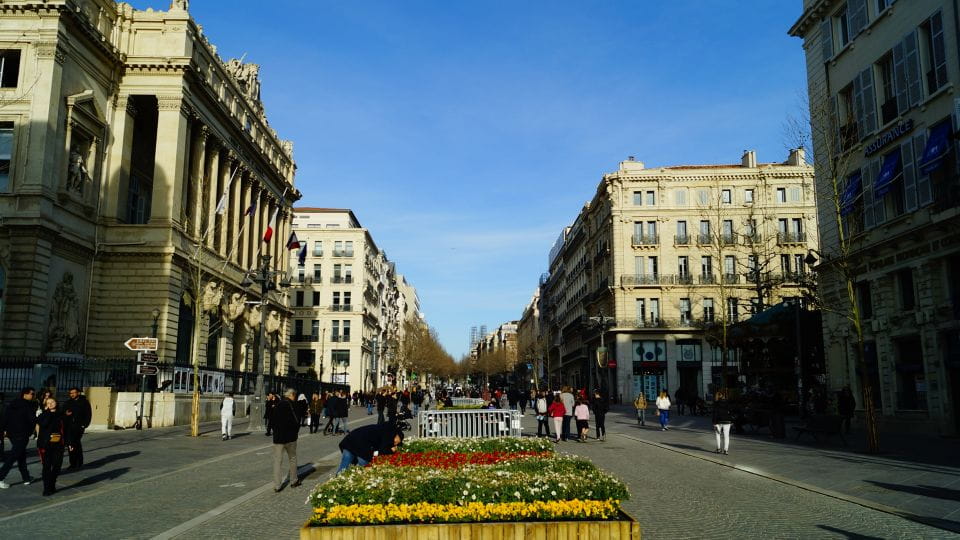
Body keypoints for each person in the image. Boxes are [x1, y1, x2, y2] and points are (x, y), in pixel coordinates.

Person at [0, 388, 36, 489]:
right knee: (13, 456)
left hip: (12, 434)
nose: (33, 396)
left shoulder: (12, 404)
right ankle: (0, 477)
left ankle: (26, 478)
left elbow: (5, 417)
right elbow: (32, 420)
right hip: (22, 434)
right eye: (32, 394)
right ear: (25, 394)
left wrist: (3, 430)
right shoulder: (28, 405)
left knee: (21, 455)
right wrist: (32, 431)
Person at [336, 422, 403, 474]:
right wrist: (390, 450)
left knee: (344, 467)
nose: (396, 444)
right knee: (365, 465)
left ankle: (337, 482)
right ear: (397, 435)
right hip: (360, 445)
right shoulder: (387, 435)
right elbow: (377, 452)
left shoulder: (382, 429)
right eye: (397, 441)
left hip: (350, 441)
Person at [270, 389, 302, 492]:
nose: (295, 397)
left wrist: (275, 431)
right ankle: (293, 481)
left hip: (278, 438)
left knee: (277, 461)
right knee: (292, 458)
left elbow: (272, 420)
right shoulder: (294, 405)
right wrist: (295, 432)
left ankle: (277, 485)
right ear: (292, 395)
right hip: (291, 437)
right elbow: (297, 421)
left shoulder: (278, 405)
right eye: (295, 395)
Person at [36, 397, 65, 496]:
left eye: (52, 402)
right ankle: (46, 488)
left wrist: (69, 443)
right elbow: (44, 424)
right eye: (48, 403)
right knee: (47, 467)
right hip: (46, 444)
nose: (51, 404)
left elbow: (66, 429)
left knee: (57, 465)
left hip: (58, 444)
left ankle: (52, 483)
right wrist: (48, 412)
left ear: (56, 402)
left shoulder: (61, 414)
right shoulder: (43, 415)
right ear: (46, 405)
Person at [63, 387, 91, 468]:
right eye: (71, 393)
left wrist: (84, 425)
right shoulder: (68, 402)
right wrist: (66, 414)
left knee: (76, 443)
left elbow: (88, 414)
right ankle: (73, 463)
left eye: (74, 393)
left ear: (78, 393)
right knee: (70, 444)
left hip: (79, 427)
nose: (72, 394)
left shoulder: (84, 402)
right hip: (69, 426)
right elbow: (63, 412)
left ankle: (79, 462)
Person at [712, 390, 734, 455]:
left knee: (718, 434)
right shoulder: (728, 403)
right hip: (727, 421)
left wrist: (714, 422)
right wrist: (732, 421)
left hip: (718, 421)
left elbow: (715, 413)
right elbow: (731, 413)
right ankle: (726, 450)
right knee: (726, 436)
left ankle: (718, 449)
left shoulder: (716, 403)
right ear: (724, 396)